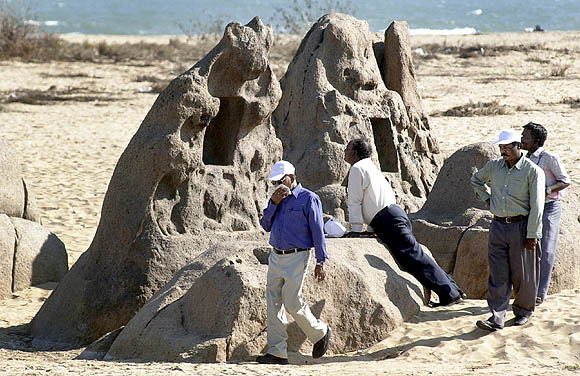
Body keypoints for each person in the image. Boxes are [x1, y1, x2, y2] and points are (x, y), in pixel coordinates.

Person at [343, 138, 465, 307]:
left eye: (347, 149)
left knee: (414, 258)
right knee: (415, 256)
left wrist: (356, 229)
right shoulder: (370, 167)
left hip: (387, 219)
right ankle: (454, 290)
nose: (345, 151)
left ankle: (449, 294)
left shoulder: (357, 168)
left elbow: (355, 201)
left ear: (354, 152)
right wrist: (370, 229)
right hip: (392, 215)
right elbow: (374, 200)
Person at [256, 160, 332, 365]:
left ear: (292, 176)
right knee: (273, 303)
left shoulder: (309, 199)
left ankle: (320, 332)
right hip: (275, 256)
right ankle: (277, 352)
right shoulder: (277, 199)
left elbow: (318, 231)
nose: (278, 185)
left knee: (291, 300)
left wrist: (321, 261)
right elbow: (265, 225)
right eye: (275, 182)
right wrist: (273, 203)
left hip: (297, 256)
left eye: (281, 180)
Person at [471, 129, 545, 331]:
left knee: (524, 274)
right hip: (497, 226)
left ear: (518, 146)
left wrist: (532, 235)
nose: (503, 151)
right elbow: (476, 180)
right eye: (501, 147)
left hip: (521, 227)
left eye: (507, 147)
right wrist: (486, 198)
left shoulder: (532, 171)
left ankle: (523, 312)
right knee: (497, 272)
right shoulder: (494, 166)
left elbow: (538, 206)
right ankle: (497, 317)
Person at [521, 122, 571, 305]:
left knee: (547, 249)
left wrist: (547, 189)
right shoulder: (523, 158)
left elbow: (565, 181)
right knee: (531, 247)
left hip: (550, 206)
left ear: (537, 140)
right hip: (531, 208)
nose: (522, 139)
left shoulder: (549, 157)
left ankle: (540, 293)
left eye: (525, 136)